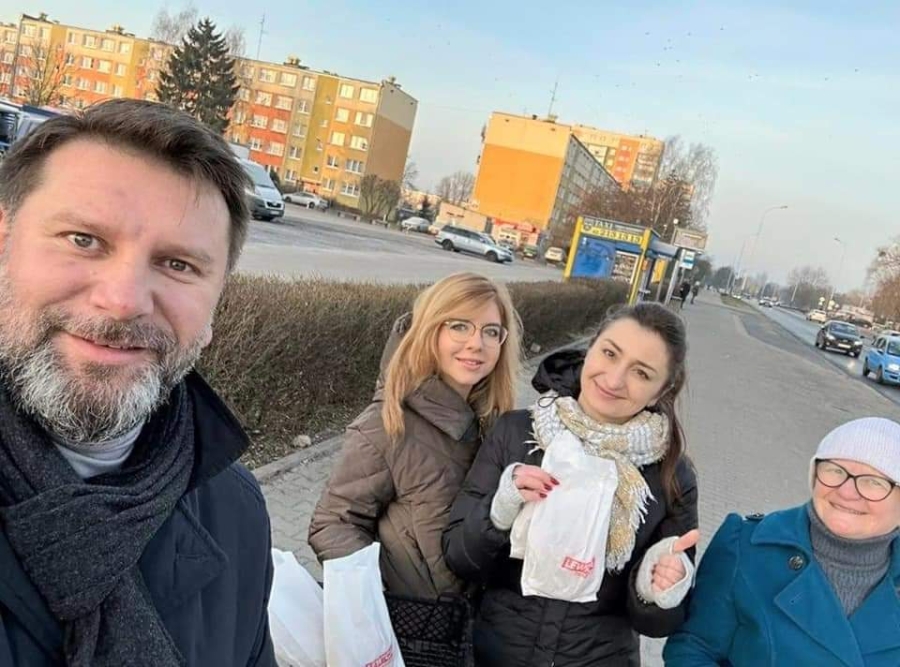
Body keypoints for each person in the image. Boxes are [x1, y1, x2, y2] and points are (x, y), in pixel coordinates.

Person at [0, 99, 275, 666]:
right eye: (83, 239)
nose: (124, 301)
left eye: (178, 265)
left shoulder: (236, 514)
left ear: (215, 304)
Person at [443, 302, 699, 666]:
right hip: (493, 653)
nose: (614, 379)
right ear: (590, 349)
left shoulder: (672, 475)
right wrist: (500, 510)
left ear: (660, 392)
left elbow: (658, 624)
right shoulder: (518, 433)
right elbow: (458, 557)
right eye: (610, 353)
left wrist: (657, 588)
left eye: (641, 373)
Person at [308, 272, 521, 598]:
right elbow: (334, 523)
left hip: (475, 621)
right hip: (408, 621)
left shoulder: (496, 426)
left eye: (490, 331)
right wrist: (375, 595)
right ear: (429, 330)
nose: (476, 343)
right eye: (459, 326)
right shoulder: (388, 423)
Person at [665, 417, 900, 666]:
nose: (846, 492)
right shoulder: (746, 546)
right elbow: (693, 648)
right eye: (835, 471)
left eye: (874, 482)